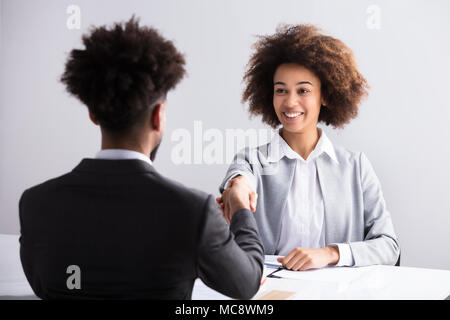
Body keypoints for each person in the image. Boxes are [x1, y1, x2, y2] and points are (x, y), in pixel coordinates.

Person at [18, 17, 263, 299]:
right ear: (158, 116)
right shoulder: (194, 212)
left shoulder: (36, 204)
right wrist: (240, 207)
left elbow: (44, 287)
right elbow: (247, 284)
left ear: (93, 114)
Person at [217, 24, 400, 271]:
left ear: (325, 96)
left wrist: (330, 253)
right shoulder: (253, 160)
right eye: (281, 90)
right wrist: (237, 187)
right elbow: (239, 180)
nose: (290, 102)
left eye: (303, 90)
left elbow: (389, 246)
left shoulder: (355, 167)